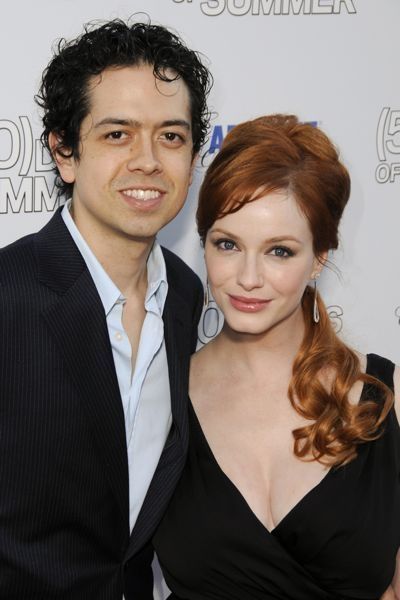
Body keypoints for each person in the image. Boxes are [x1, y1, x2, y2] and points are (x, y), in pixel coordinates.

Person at [0, 18, 212, 599]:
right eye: (118, 134)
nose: (148, 161)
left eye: (171, 137)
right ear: (65, 153)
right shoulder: (9, 293)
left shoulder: (185, 294)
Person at [153, 114, 400, 599]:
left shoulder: (385, 397)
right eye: (227, 244)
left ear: (320, 256)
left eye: (279, 251)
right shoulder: (158, 399)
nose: (248, 278)